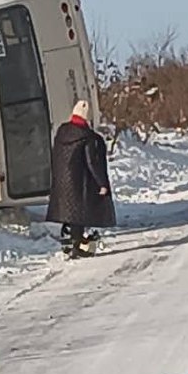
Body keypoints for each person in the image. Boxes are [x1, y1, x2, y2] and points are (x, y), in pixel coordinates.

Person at [46, 99, 116, 258]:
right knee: (78, 215)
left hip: (63, 182)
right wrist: (102, 183)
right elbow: (92, 162)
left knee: (70, 215)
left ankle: (71, 243)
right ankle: (76, 248)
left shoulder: (62, 132)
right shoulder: (87, 137)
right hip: (78, 182)